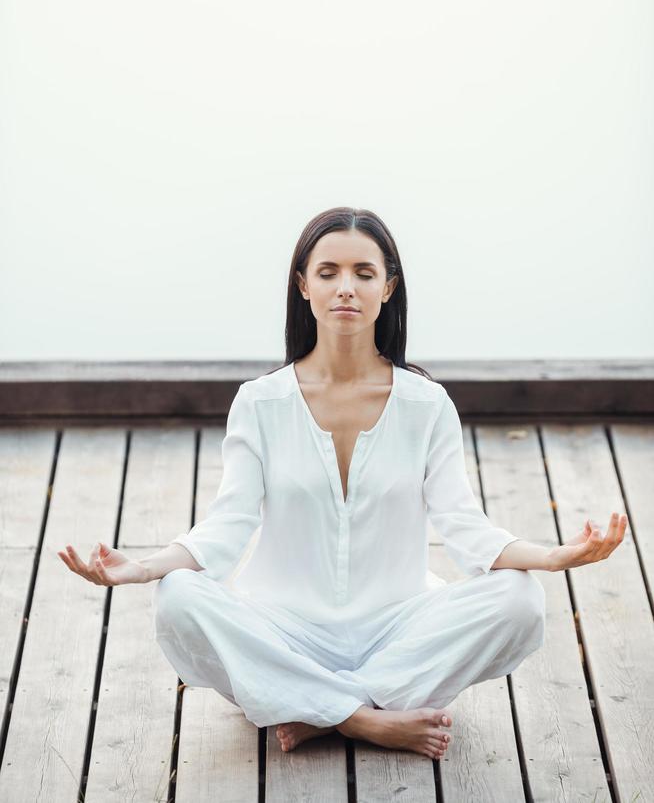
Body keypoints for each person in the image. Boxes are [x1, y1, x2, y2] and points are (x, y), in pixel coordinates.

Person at [58, 206, 628, 761]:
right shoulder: (260, 402)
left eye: (363, 273)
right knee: (179, 597)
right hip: (283, 628)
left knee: (521, 598)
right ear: (303, 286)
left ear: (388, 287)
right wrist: (140, 568)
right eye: (328, 273)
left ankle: (314, 710)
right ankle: (364, 718)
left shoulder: (427, 405)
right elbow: (226, 526)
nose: (346, 288)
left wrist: (555, 556)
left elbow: (465, 528)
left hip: (396, 626)